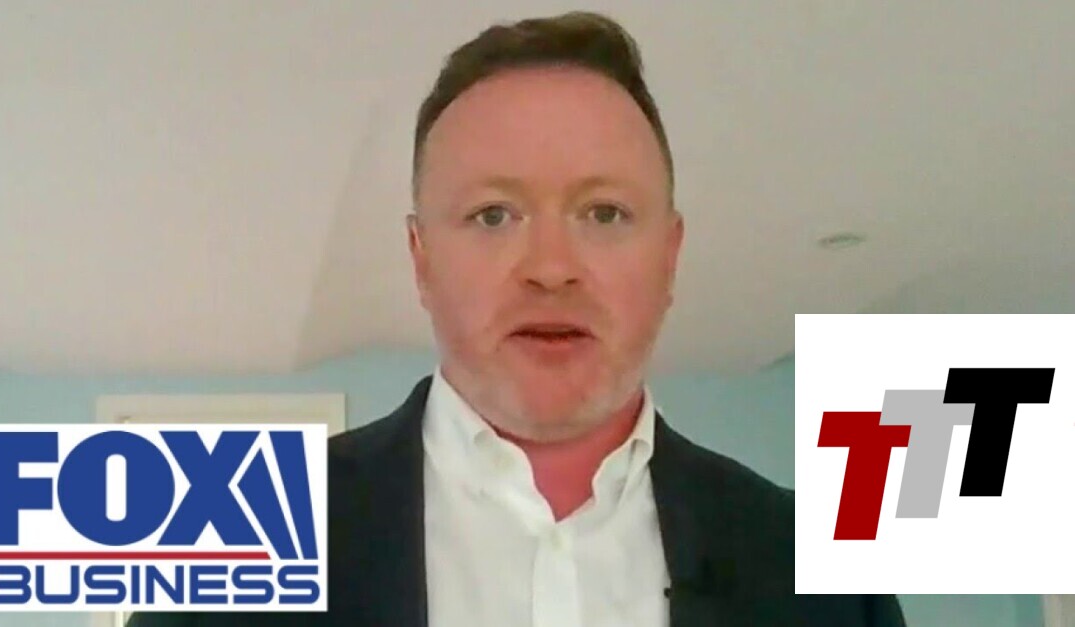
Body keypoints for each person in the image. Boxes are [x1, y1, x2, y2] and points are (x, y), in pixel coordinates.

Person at [131, 11, 905, 627]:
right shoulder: (234, 550)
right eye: (493, 214)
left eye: (604, 213)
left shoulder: (828, 581)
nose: (551, 266)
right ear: (421, 258)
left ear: (668, 257)